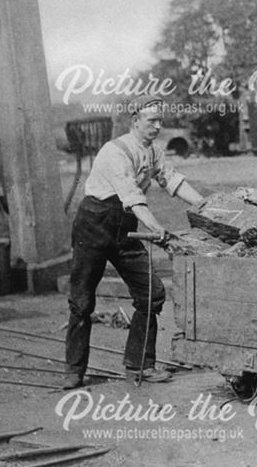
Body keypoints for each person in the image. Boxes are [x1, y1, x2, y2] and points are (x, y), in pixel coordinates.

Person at [63, 95, 205, 390]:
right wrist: (158, 229)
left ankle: (139, 365)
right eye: (151, 120)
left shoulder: (153, 152)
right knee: (82, 301)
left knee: (152, 293)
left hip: (124, 227)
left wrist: (205, 205)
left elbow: (172, 180)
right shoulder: (114, 152)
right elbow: (133, 198)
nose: (157, 126)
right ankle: (74, 370)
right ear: (135, 121)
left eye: (160, 121)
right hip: (94, 223)